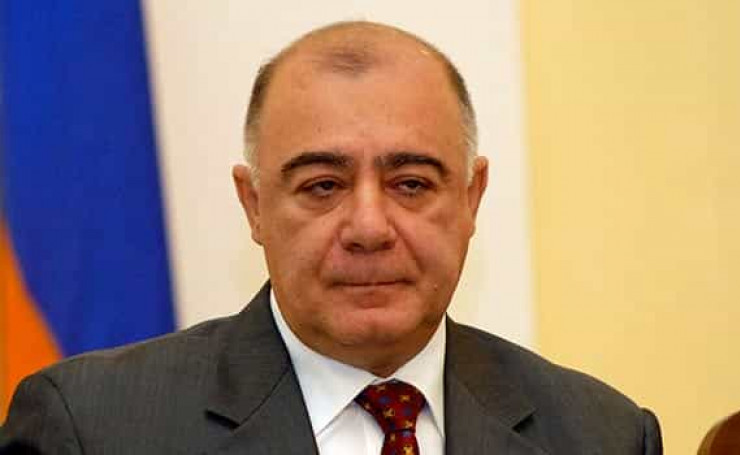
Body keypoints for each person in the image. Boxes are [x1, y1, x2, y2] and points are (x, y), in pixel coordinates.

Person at [1, 21, 662, 454]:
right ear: (254, 206)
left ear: (471, 197)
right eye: (322, 185)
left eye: (411, 183)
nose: (369, 227)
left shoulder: (600, 434)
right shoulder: (92, 428)